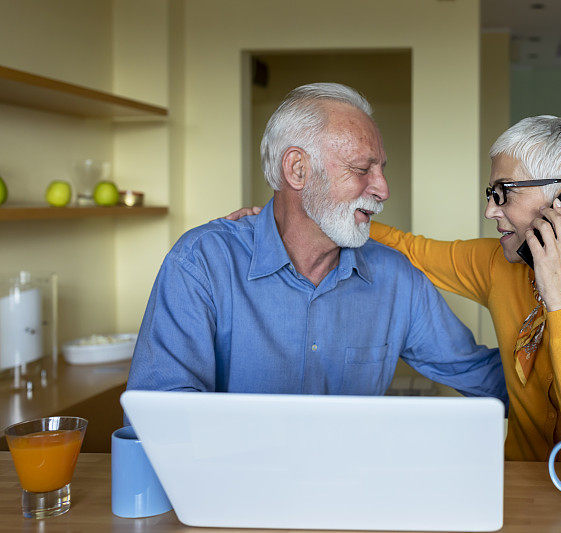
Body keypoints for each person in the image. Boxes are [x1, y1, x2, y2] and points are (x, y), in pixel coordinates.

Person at [230, 115, 561, 463]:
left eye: (504, 192)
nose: (491, 211)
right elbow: (409, 248)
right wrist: (295, 217)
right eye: (489, 193)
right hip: (523, 491)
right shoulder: (499, 265)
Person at [126, 83, 507, 406]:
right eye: (362, 169)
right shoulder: (201, 263)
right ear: (297, 169)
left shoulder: (397, 279)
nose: (383, 189)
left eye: (381, 170)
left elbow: (483, 378)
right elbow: (159, 418)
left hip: (350, 490)